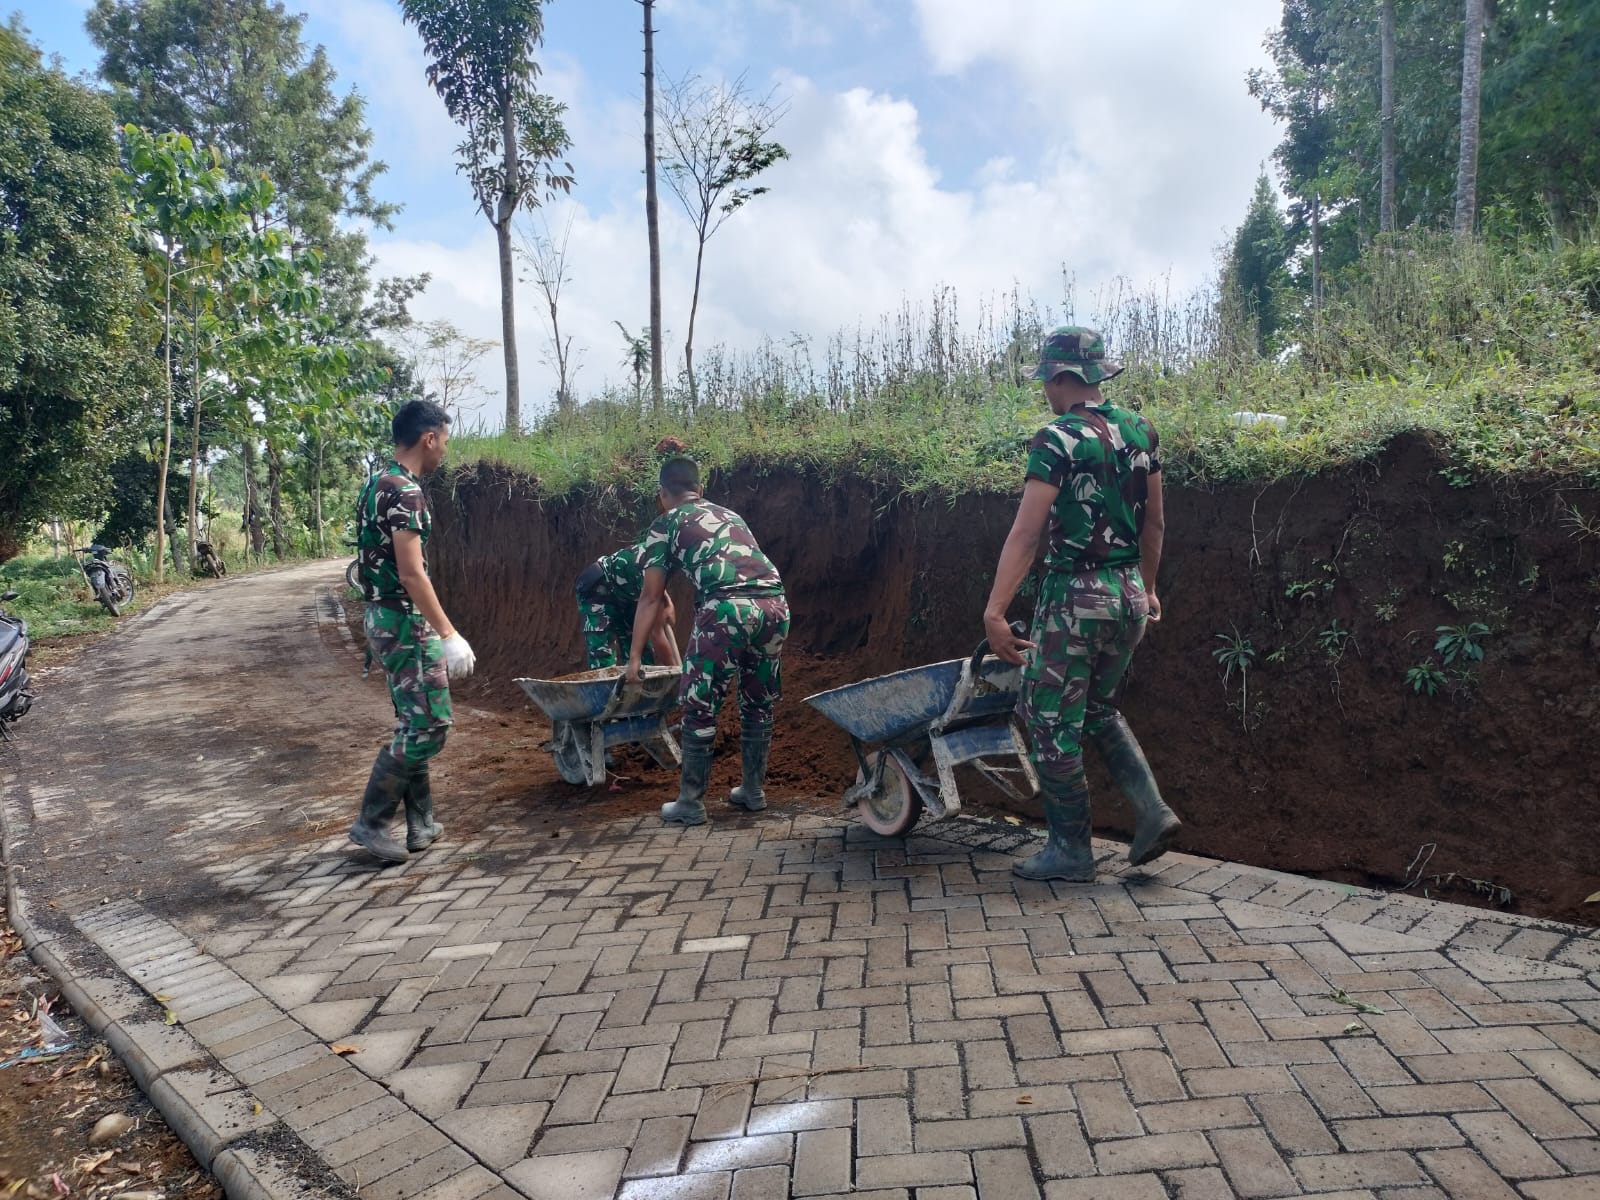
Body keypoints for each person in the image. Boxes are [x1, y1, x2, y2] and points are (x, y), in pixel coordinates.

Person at [982, 326, 1180, 881]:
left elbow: (1027, 532)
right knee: (1096, 708)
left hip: (1077, 600)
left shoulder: (1057, 439)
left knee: (1047, 718)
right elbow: (1155, 523)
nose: (1045, 390)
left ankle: (1070, 850)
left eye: (1046, 380)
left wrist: (995, 612)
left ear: (1060, 377)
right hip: (1129, 596)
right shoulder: (1140, 430)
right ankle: (1152, 811)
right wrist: (1147, 587)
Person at [625, 456, 788, 825]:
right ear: (700, 490)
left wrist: (635, 658)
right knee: (758, 702)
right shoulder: (731, 516)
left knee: (699, 704)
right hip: (775, 606)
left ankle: (690, 802)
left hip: (726, 608)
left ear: (662, 495)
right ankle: (753, 791)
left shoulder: (665, 523)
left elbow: (651, 597)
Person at [347, 399, 476, 863]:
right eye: (445, 441)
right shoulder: (406, 491)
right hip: (403, 621)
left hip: (382, 618)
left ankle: (421, 822)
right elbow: (411, 573)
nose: (445, 450)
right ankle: (372, 822)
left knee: (411, 720)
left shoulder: (376, 484)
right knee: (429, 726)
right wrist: (448, 633)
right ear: (429, 438)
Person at [575, 538, 681, 670]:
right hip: (597, 590)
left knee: (642, 655)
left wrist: (668, 602)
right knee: (602, 658)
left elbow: (657, 584)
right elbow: (657, 633)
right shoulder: (655, 560)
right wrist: (676, 673)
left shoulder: (666, 554)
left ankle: (640, 682)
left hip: (626, 594)